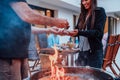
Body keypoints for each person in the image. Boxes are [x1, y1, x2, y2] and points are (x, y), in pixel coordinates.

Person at [0, 0, 69, 80]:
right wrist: (56, 21)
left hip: (21, 56)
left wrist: (49, 30)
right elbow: (28, 15)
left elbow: (27, 28)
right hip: (8, 58)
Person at [58, 0, 106, 68]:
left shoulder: (100, 11)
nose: (84, 3)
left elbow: (98, 33)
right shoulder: (82, 14)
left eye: (86, 0)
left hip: (94, 53)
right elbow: (78, 30)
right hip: (82, 52)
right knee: (79, 76)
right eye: (82, 1)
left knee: (94, 77)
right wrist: (67, 30)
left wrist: (79, 32)